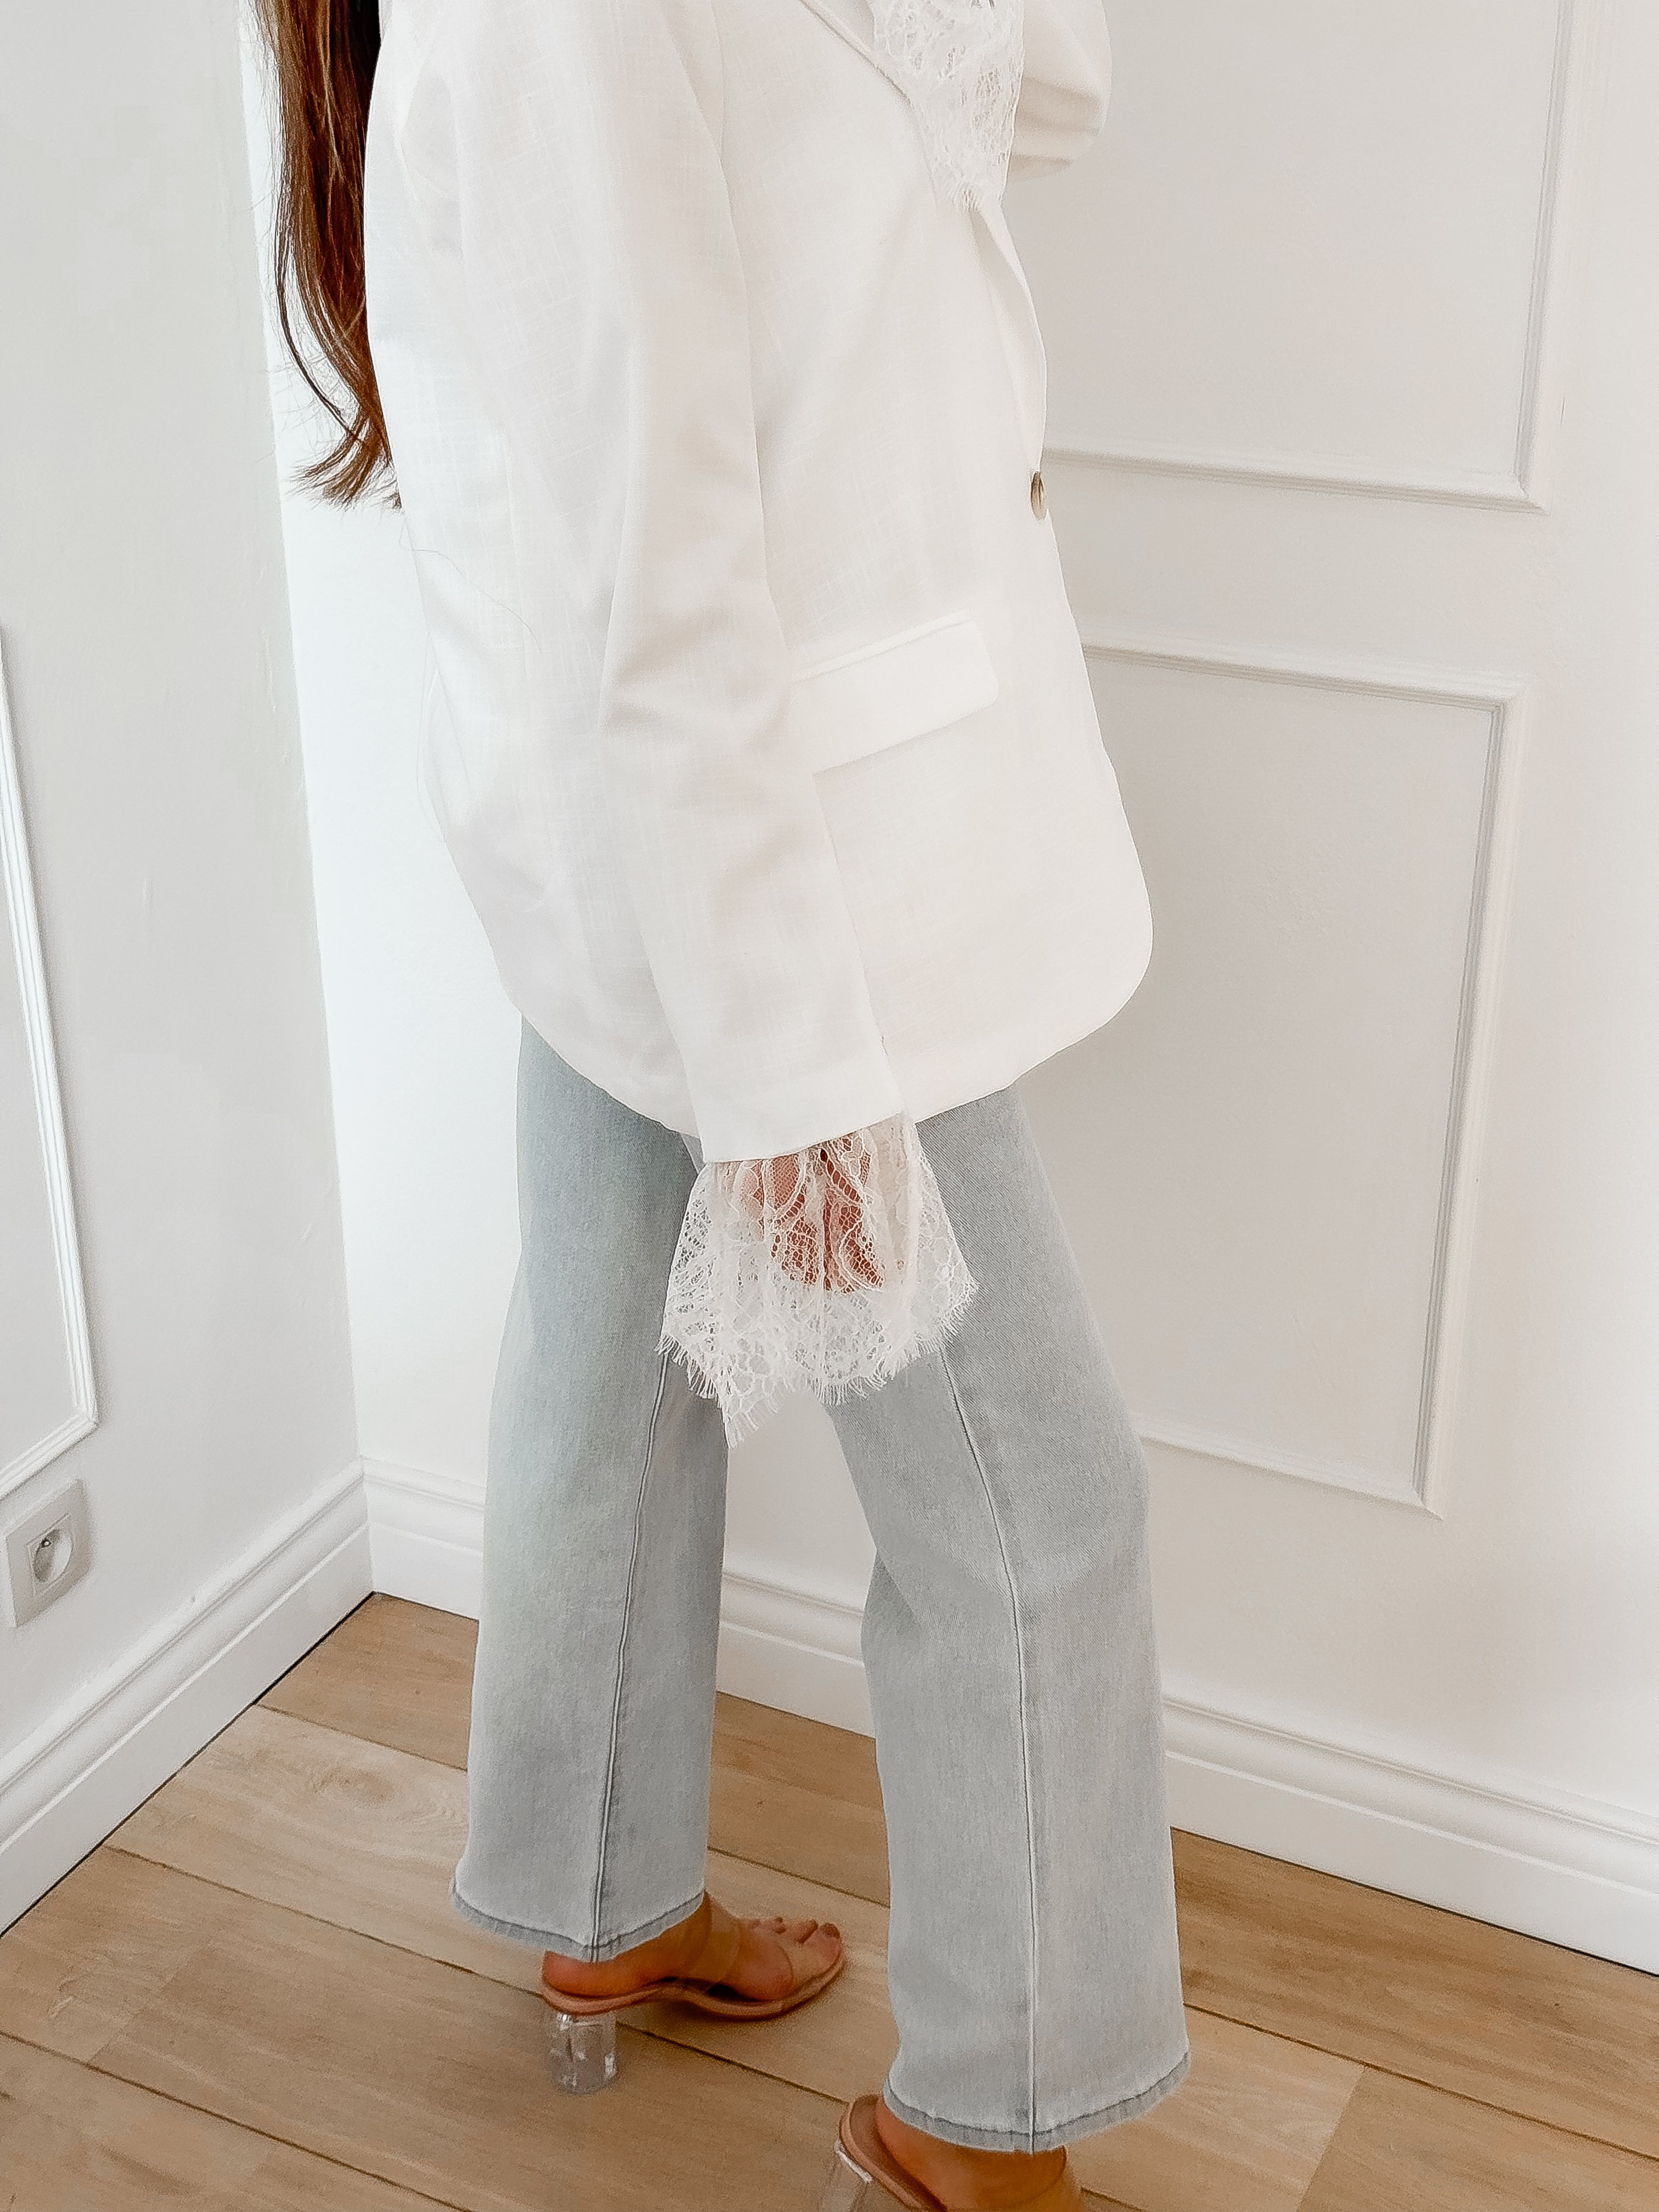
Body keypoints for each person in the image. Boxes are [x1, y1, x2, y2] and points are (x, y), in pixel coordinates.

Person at [254, 0, 1189, 2202]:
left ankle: (601, 1896)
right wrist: (792, 1086)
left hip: (646, 858)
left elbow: (1048, 97)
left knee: (609, 1374)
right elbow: (662, 595)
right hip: (784, 882)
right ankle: (995, 2122)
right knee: (1039, 1516)